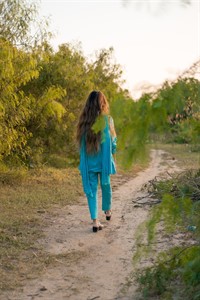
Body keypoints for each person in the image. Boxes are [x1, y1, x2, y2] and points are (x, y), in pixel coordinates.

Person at [76, 90, 117, 232]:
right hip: (103, 162)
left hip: (89, 163)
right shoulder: (108, 120)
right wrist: (112, 152)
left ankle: (95, 221)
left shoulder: (84, 123)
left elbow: (81, 146)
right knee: (106, 185)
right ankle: (107, 211)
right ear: (103, 104)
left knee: (92, 191)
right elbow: (114, 141)